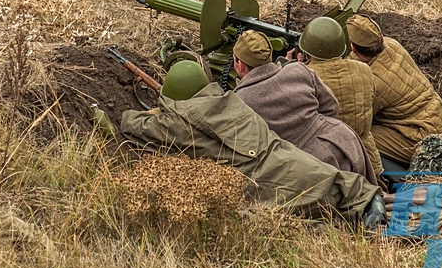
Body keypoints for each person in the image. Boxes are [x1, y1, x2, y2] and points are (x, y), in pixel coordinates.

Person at [118, 60, 387, 229]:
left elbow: (131, 123)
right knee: (329, 182)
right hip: (281, 152)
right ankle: (368, 201)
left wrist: (159, 110)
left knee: (300, 211)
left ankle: (363, 217)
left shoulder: (179, 124)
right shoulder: (232, 101)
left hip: (261, 174)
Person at [231, 30, 379, 186]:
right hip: (343, 139)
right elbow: (331, 106)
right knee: (370, 196)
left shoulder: (240, 100)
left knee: (346, 206)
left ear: (239, 65)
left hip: (310, 163)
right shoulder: (298, 69)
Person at [345, 14, 442, 173]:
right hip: (437, 116)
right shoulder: (392, 45)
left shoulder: (373, 81)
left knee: (356, 137)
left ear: (352, 47)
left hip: (420, 136)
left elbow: (354, 118)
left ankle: (398, 177)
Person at [294, 17, 385, 179]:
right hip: (366, 159)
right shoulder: (364, 69)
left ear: (306, 50)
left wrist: (294, 68)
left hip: (328, 163)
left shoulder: (305, 77)